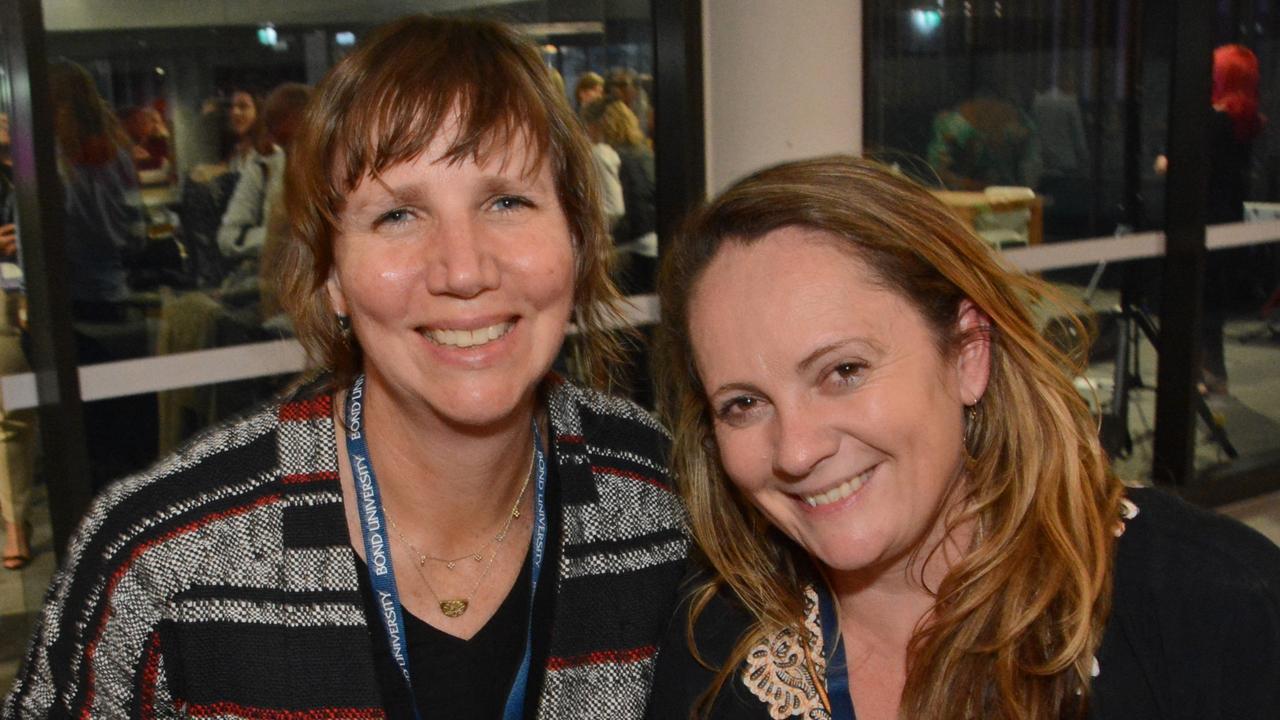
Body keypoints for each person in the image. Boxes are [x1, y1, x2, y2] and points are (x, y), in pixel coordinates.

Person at [4, 16, 687, 718]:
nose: (462, 269)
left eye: (507, 201)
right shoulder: (163, 560)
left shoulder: (667, 499)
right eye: (397, 215)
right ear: (330, 274)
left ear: (577, 239)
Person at [646, 155, 1280, 720]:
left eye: (844, 371)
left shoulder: (1214, 605)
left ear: (969, 354)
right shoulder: (709, 640)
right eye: (745, 404)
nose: (797, 450)